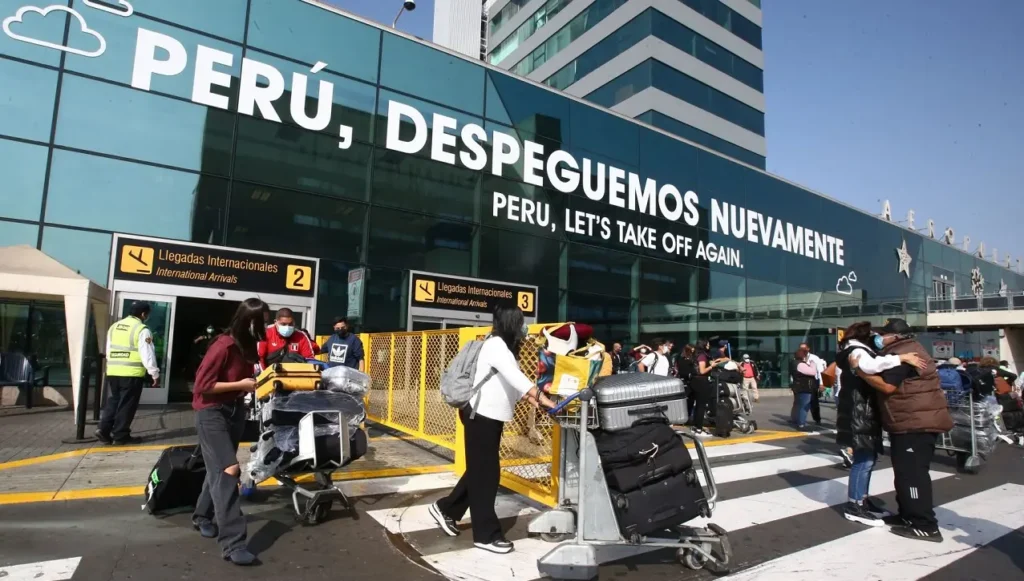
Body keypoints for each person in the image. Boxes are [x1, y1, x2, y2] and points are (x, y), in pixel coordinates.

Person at [429, 303, 555, 554]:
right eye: (520, 322)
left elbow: (513, 385)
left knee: (480, 470)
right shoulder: (496, 345)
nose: (523, 327)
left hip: (489, 417)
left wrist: (537, 401)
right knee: (487, 475)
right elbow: (517, 378)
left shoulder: (504, 347)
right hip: (481, 415)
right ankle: (485, 535)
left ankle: (446, 508)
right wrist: (544, 399)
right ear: (511, 323)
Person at [191, 298, 267, 566]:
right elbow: (202, 386)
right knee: (229, 469)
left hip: (234, 411)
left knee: (217, 470)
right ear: (250, 321)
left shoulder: (248, 348)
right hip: (211, 413)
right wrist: (240, 384)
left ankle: (201, 516)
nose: (267, 327)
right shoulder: (223, 346)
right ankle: (233, 543)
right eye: (263, 321)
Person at [868, 318, 953, 542]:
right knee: (904, 472)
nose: (879, 338)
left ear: (895, 336)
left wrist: (862, 372)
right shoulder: (904, 351)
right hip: (909, 421)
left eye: (883, 334)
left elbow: (887, 385)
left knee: (913, 474)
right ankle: (907, 515)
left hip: (915, 423)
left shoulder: (906, 355)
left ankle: (925, 525)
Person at [835, 321, 925, 527]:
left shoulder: (858, 349)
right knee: (863, 460)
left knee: (868, 457)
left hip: (862, 411)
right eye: (876, 334)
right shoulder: (856, 350)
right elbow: (869, 366)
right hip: (859, 412)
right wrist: (901, 357)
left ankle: (862, 500)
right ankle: (854, 505)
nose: (879, 337)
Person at [95, 301, 160, 445]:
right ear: (143, 314)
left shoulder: (114, 327)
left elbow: (108, 349)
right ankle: (121, 435)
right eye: (147, 314)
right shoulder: (142, 329)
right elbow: (147, 354)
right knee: (127, 404)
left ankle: (103, 429)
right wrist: (154, 373)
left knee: (114, 400)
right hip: (131, 373)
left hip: (113, 371)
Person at [690, 340, 728, 438]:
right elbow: (702, 371)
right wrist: (711, 366)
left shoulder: (696, 355)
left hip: (695, 381)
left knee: (698, 405)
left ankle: (695, 427)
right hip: (701, 382)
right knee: (701, 406)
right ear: (703, 345)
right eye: (707, 344)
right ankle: (698, 429)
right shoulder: (702, 356)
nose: (708, 346)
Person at [789, 347, 818, 429]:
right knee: (804, 406)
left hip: (798, 387)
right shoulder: (800, 364)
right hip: (804, 387)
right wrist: (813, 363)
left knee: (798, 405)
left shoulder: (795, 363)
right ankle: (801, 423)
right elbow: (813, 372)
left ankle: (796, 420)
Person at [801, 342, 826, 425]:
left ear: (808, 349)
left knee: (813, 401)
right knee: (801, 401)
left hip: (813, 381)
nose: (802, 350)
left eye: (804, 348)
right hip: (802, 381)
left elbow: (820, 371)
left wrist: (822, 383)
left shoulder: (815, 358)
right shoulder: (799, 358)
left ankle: (817, 419)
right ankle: (800, 419)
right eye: (801, 349)